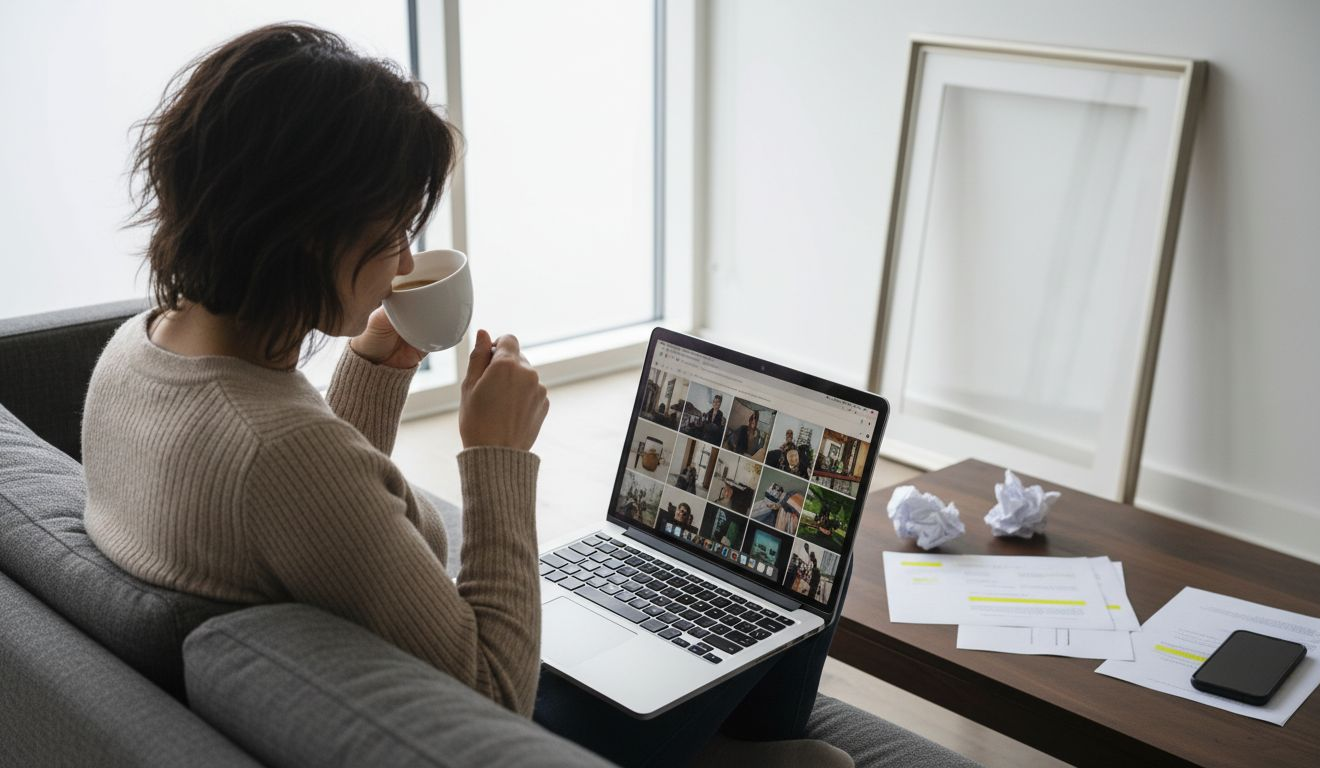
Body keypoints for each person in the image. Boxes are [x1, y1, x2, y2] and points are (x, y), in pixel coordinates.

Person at [86, 24, 848, 768]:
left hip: (333, 692)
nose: (407, 259)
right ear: (308, 236)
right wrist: (497, 455)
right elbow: (491, 696)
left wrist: (373, 372)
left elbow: (312, 519)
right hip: (462, 719)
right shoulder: (280, 453)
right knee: (785, 601)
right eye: (389, 237)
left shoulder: (138, 352)